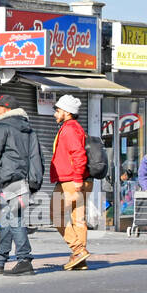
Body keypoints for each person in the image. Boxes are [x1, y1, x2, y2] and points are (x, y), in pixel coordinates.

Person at [0, 95, 44, 275]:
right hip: (22, 181)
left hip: (8, 180)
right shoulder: (28, 129)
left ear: (6, 110)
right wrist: (34, 181)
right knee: (7, 220)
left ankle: (24, 260)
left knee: (14, 219)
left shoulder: (2, 126)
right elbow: (36, 157)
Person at [50, 94, 90, 270]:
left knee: (56, 215)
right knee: (78, 219)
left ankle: (78, 250)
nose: (55, 114)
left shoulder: (69, 129)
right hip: (78, 179)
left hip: (70, 180)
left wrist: (77, 179)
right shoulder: (76, 127)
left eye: (57, 110)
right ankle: (80, 259)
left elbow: (78, 155)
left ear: (66, 112)